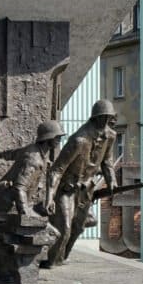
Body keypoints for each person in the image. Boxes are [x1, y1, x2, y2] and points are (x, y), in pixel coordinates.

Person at [43, 100, 117, 267]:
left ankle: (62, 257)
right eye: (102, 118)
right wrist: (49, 198)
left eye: (108, 119)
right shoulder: (79, 140)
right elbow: (56, 170)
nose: (105, 123)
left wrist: (111, 180)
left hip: (86, 189)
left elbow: (107, 160)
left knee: (79, 226)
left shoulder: (111, 136)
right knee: (65, 227)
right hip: (67, 189)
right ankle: (50, 261)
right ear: (95, 118)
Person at [0, 120, 65, 216]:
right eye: (57, 137)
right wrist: (26, 214)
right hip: (6, 209)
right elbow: (19, 188)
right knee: (50, 231)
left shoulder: (34, 150)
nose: (59, 140)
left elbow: (13, 153)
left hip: (16, 203)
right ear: (48, 137)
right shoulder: (34, 159)